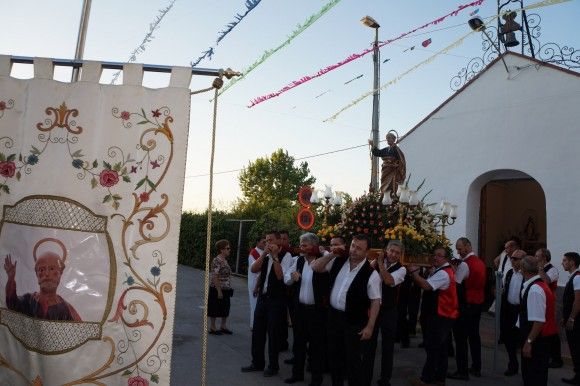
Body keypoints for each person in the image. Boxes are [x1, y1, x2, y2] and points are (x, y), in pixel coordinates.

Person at [311, 234, 381, 386]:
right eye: (353, 246)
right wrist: (332, 253)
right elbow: (315, 267)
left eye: (359, 248)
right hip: (334, 317)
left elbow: (376, 301)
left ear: (366, 252)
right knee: (334, 358)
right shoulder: (338, 261)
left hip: (354, 322)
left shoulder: (371, 274)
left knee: (353, 362)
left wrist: (370, 326)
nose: (354, 250)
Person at [242, 231, 293, 377]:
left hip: (277, 300)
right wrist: (264, 254)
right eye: (266, 240)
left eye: (270, 240)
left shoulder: (287, 256)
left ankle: (273, 366)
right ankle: (257, 363)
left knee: (273, 333)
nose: (267, 243)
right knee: (258, 331)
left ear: (279, 241)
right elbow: (254, 269)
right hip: (263, 298)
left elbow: (280, 276)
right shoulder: (265, 254)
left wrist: (275, 256)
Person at [283, 233, 330, 386]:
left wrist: (323, 252)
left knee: (317, 346)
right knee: (298, 343)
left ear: (314, 246)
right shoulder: (298, 261)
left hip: (317, 311)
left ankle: (316, 379)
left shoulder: (323, 262)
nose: (301, 248)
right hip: (300, 309)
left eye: (305, 245)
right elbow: (286, 279)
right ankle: (297, 374)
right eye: (301, 244)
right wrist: (292, 276)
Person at [408, 246, 459, 386]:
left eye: (439, 256)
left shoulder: (443, 273)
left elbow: (426, 286)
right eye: (434, 255)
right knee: (440, 348)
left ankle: (426, 379)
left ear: (446, 258)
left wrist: (414, 273)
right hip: (443, 314)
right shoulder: (442, 270)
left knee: (433, 348)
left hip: (442, 315)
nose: (435, 257)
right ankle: (439, 378)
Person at [4, 238, 81, 321]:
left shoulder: (67, 308)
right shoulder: (29, 300)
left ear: (60, 273)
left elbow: (79, 329)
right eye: (42, 269)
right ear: (37, 274)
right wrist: (11, 278)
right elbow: (12, 304)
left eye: (51, 269)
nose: (47, 274)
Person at [449, 237, 486, 380]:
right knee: (474, 336)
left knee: (460, 339)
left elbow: (456, 284)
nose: (458, 253)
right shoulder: (480, 262)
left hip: (466, 305)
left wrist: (453, 270)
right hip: (478, 304)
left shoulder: (465, 264)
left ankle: (462, 371)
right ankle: (476, 367)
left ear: (468, 246)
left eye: (460, 249)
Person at [518, 255, 557, 386]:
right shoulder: (539, 285)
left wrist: (529, 342)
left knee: (533, 375)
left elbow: (539, 321)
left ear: (524, 269)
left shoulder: (535, 289)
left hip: (537, 340)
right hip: (539, 339)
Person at [374, 240, 407, 386]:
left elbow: (388, 280)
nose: (393, 254)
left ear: (400, 255)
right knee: (368, 344)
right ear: (386, 250)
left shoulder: (402, 269)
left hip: (389, 310)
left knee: (388, 347)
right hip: (373, 308)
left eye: (397, 253)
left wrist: (380, 263)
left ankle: (385, 379)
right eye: (391, 251)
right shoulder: (374, 263)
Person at [535, 247, 564, 368]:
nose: (535, 258)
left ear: (544, 258)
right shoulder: (537, 268)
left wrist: (540, 269)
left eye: (537, 256)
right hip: (541, 301)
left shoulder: (553, 270)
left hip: (551, 303)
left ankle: (556, 358)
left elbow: (546, 280)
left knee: (552, 331)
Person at [500, 249, 525, 376]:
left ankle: (527, 370)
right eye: (512, 258)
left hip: (520, 311)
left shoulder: (526, 275)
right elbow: (505, 288)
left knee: (521, 340)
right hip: (509, 309)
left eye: (515, 258)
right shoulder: (509, 273)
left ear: (523, 260)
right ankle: (512, 365)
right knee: (508, 339)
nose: (512, 260)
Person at [561, 252, 580, 385]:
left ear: (572, 262)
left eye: (565, 260)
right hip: (572, 318)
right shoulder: (573, 277)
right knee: (574, 347)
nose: (562, 263)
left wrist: (572, 318)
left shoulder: (577, 277)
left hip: (577, 321)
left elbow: (578, 301)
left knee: (576, 347)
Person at [207, 239, 233, 335]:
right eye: (227, 248)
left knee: (225, 307)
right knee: (214, 306)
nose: (229, 250)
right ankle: (213, 327)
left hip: (226, 288)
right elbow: (214, 276)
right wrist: (219, 291)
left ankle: (223, 326)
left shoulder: (225, 260)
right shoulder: (216, 260)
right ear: (222, 250)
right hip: (217, 288)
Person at [368, 131, 406, 195]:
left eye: (389, 138)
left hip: (393, 171)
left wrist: (396, 165)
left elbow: (402, 161)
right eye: (387, 138)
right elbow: (378, 153)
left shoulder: (397, 149)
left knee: (391, 185)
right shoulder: (386, 149)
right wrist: (372, 145)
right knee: (384, 185)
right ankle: (384, 196)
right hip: (385, 170)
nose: (387, 140)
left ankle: (392, 197)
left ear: (394, 139)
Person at [248, 236, 265, 329]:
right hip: (254, 282)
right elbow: (255, 268)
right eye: (263, 242)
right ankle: (253, 325)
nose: (265, 244)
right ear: (257, 243)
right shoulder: (254, 253)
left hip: (260, 281)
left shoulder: (263, 252)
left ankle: (258, 324)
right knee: (254, 303)